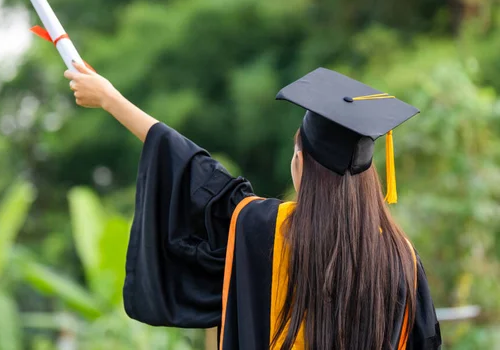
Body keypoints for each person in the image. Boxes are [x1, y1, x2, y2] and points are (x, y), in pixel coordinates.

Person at [64, 62, 442, 350]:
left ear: (300, 165)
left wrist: (110, 98)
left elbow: (196, 173)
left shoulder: (262, 227)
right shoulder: (401, 258)